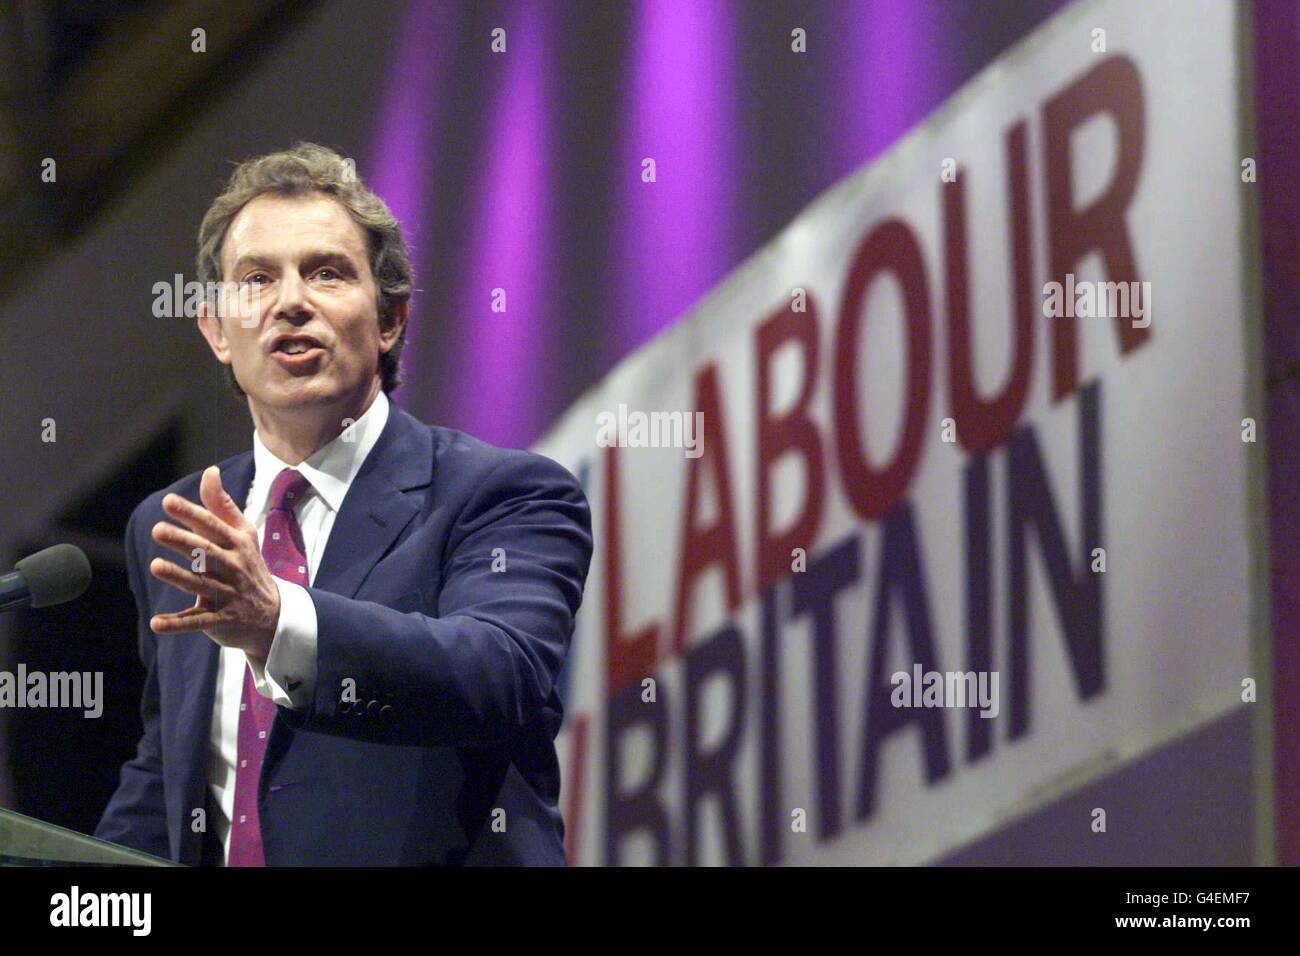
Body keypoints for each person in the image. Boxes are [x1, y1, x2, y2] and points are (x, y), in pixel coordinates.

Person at [94, 142, 592, 865]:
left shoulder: (502, 493)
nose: (290, 301)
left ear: (390, 319)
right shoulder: (172, 524)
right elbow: (172, 769)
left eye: (326, 273)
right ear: (215, 331)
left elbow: (500, 671)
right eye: (257, 279)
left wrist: (278, 623)